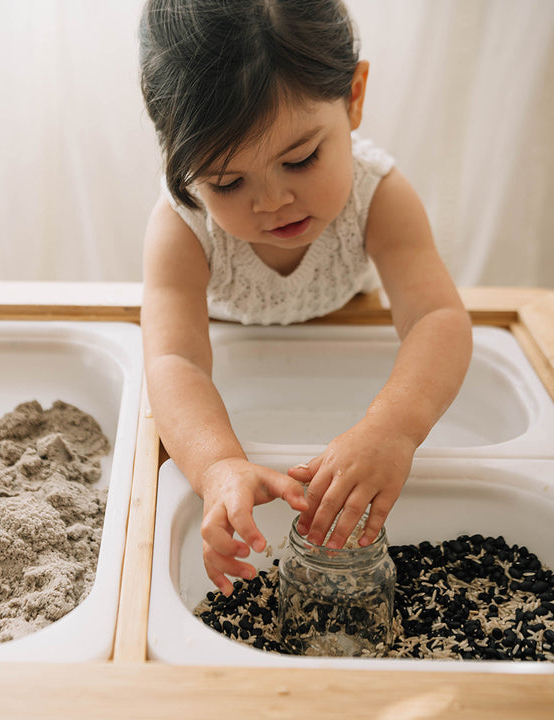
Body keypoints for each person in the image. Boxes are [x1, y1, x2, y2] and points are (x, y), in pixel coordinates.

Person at [138, 0, 473, 596]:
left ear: (354, 96)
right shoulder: (181, 229)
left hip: (342, 340)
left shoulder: (381, 198)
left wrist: (393, 427)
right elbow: (176, 361)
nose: (272, 202)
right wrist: (218, 466)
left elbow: (438, 317)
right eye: (226, 182)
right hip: (235, 353)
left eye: (301, 159)